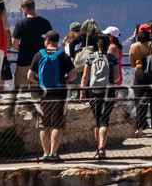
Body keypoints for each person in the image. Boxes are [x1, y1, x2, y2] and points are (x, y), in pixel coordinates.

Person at [29, 31, 73, 161]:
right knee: (57, 125)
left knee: (44, 124)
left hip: (44, 94)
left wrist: (40, 82)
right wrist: (63, 78)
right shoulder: (63, 55)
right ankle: (54, 154)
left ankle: (45, 153)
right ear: (57, 41)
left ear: (48, 41)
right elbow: (73, 75)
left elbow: (29, 76)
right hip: (59, 94)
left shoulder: (39, 55)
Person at [77, 32, 117, 161]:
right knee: (105, 120)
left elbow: (85, 77)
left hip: (93, 91)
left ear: (97, 45)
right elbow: (116, 78)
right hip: (108, 91)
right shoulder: (112, 58)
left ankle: (97, 148)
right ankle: (102, 147)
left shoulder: (90, 57)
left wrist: (82, 93)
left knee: (97, 121)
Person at [128, 22, 152, 133]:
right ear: (150, 33)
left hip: (140, 74)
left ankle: (140, 129)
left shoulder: (133, 47)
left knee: (140, 102)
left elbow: (133, 64)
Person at [11, 0, 52, 72]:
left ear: (25, 8)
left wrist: (23, 49)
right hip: (41, 61)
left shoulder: (21, 24)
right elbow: (51, 41)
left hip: (24, 61)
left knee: (21, 82)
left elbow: (14, 43)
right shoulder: (45, 23)